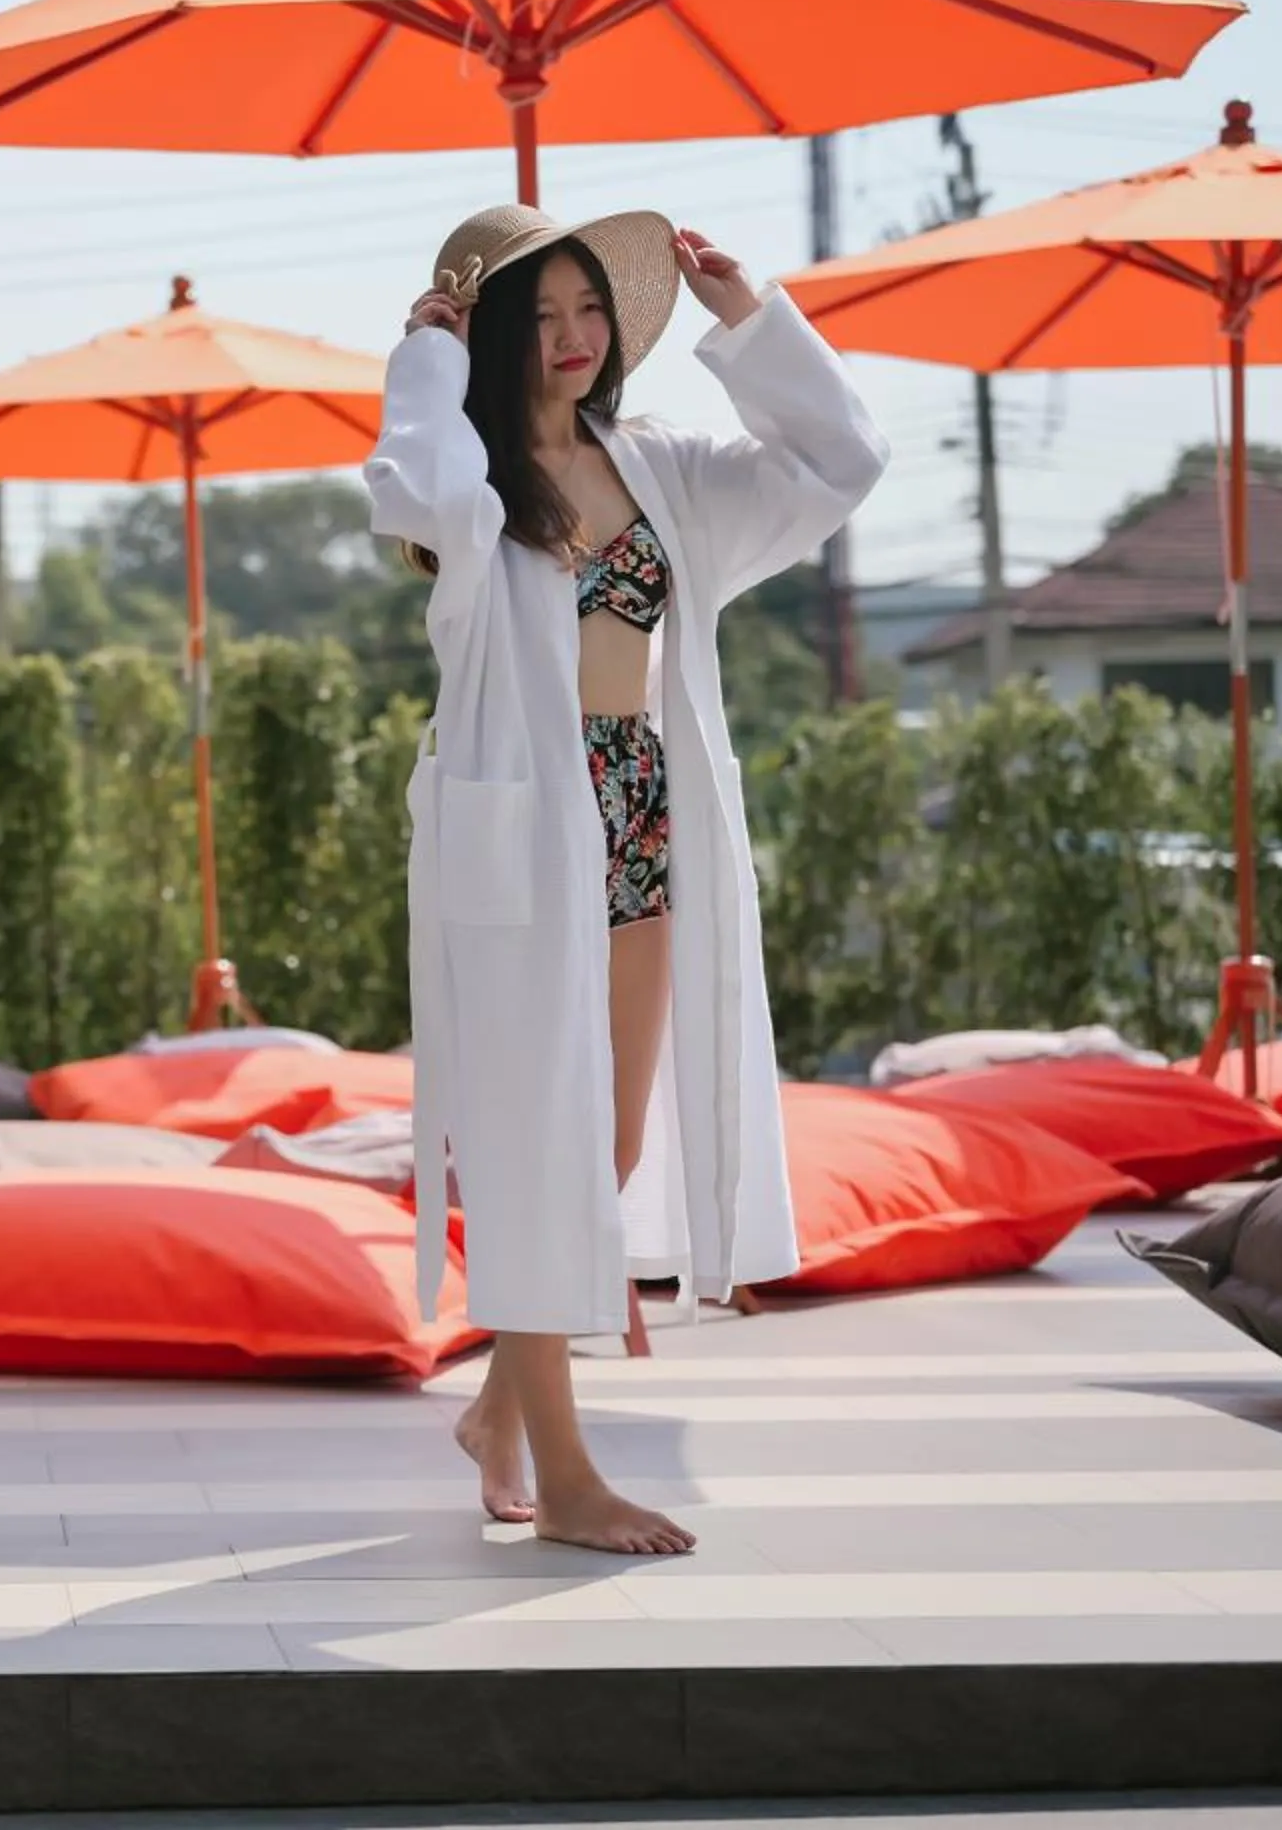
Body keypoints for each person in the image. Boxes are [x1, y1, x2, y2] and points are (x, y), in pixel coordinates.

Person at [362, 205, 888, 1556]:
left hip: (639, 810)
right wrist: (417, 366)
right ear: (485, 338)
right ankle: (566, 1470)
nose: (573, 342)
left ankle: (496, 1412)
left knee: (603, 1146)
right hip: (520, 831)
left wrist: (749, 316)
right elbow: (410, 489)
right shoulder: (470, 489)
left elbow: (843, 459)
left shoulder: (655, 464)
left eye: (590, 311)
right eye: (537, 320)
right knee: (541, 1143)